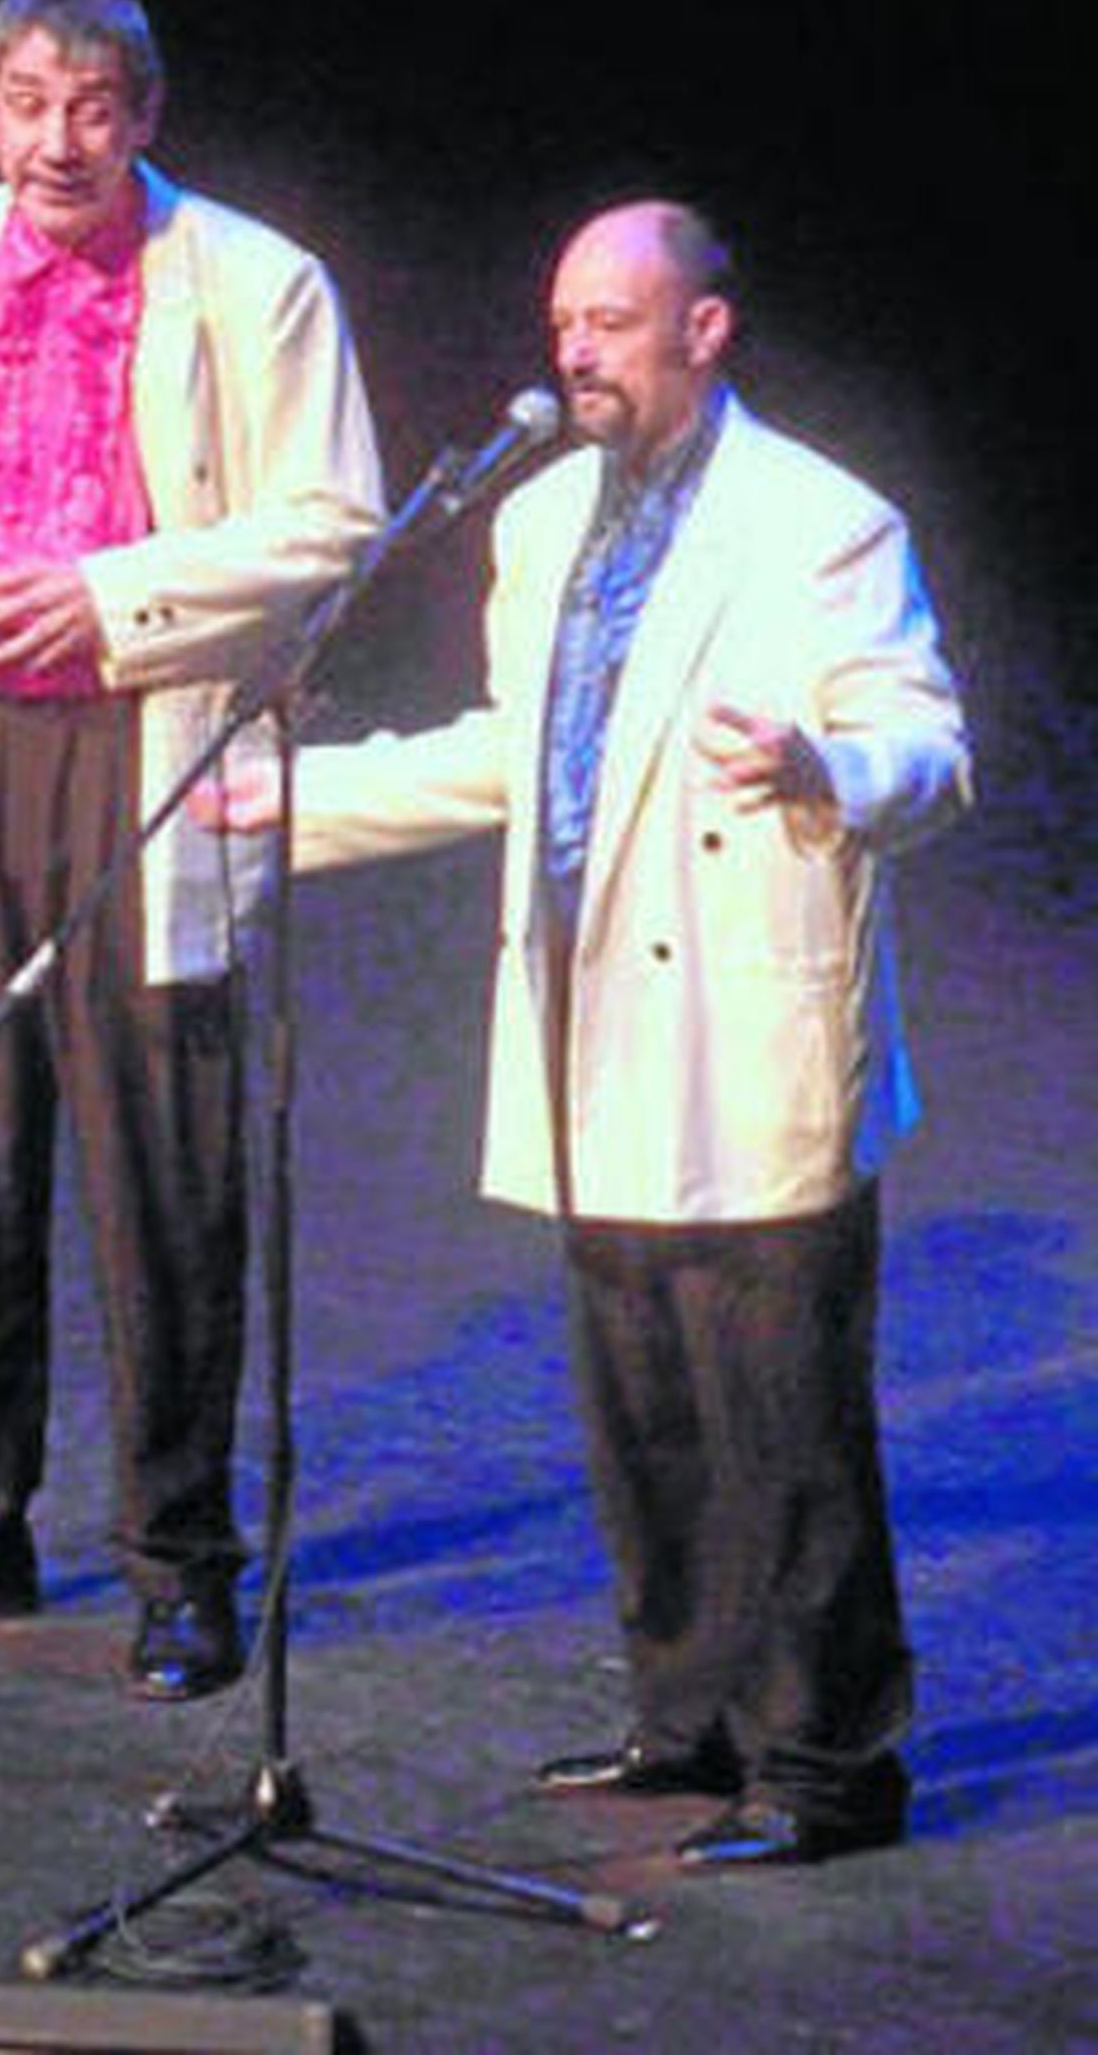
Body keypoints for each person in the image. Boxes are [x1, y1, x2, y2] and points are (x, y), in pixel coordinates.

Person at [204, 198, 970, 1856]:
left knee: (786, 1428)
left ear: (705, 328)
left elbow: (929, 741)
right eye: (563, 321)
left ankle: (831, 1765)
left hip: (750, 1029)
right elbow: (512, 750)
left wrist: (827, 768)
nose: (574, 350)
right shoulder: (542, 521)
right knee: (642, 1415)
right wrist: (301, 802)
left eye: (611, 321)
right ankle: (685, 1722)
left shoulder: (823, 523)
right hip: (593, 1018)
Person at [0, 0, 383, 1701]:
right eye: (31, 102)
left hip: (146, 742)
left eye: (97, 105)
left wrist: (110, 595)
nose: (62, 139)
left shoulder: (261, 282)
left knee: (161, 1181)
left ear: (146, 116)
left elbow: (330, 524)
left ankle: (181, 1559)